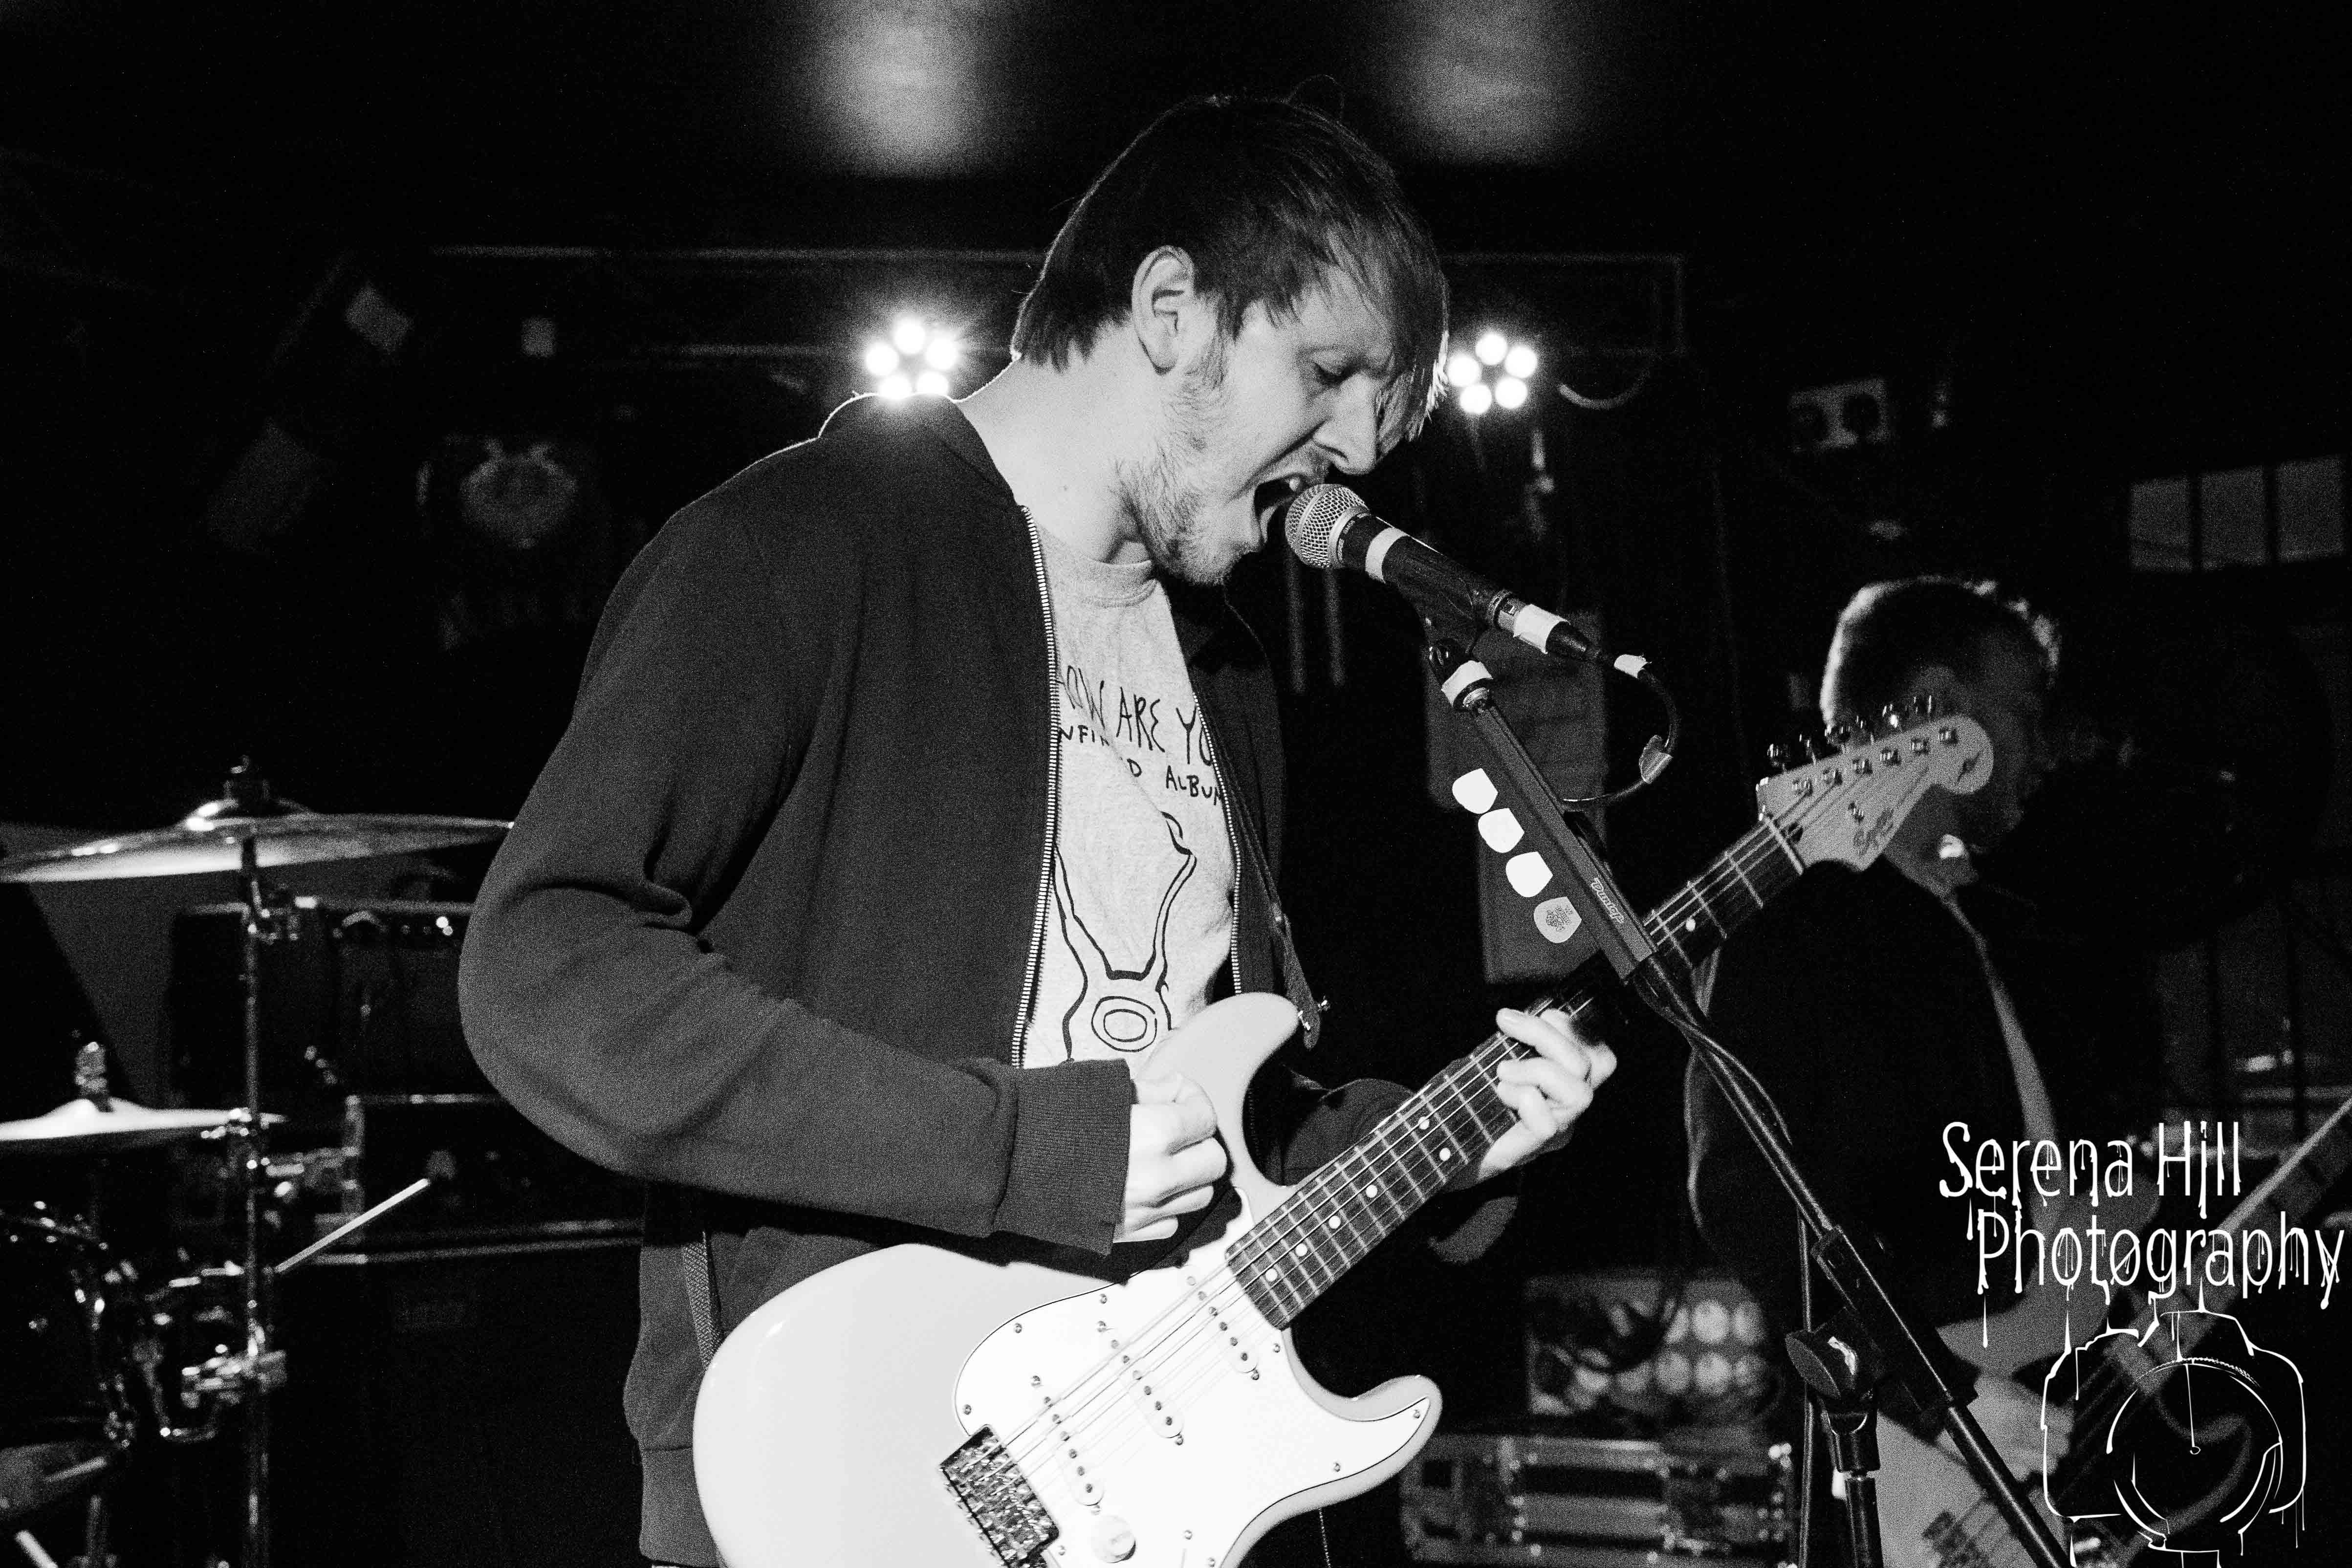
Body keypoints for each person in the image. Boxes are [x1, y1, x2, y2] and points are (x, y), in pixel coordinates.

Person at [457, 94, 1615, 1568]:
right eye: (1324, 375)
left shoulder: (1225, 667)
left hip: (1135, 1481)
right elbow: (544, 966)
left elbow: (1210, 1125)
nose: (1351, 451)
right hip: (847, 1470)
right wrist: (1022, 1150)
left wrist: (1442, 1145)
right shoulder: (799, 545)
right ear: (1170, 307)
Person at [1683, 576, 2071, 1553]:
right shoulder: (1797, 923)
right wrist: (1944, 1396)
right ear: (1936, 709)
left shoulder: (1970, 920)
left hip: (2017, 1406)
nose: (2049, 752)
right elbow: (1751, 1195)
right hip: (1914, 1458)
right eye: (2027, 712)